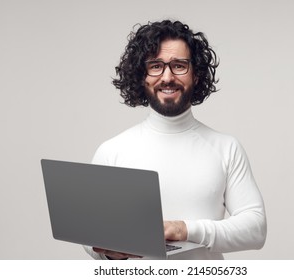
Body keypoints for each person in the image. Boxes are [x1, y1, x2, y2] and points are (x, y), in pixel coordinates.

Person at [84, 20, 267, 260]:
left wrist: (184, 229)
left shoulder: (226, 148)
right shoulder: (112, 151)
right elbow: (90, 239)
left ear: (197, 75)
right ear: (142, 76)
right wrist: (109, 253)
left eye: (179, 65)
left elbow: (256, 229)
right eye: (156, 66)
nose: (167, 77)